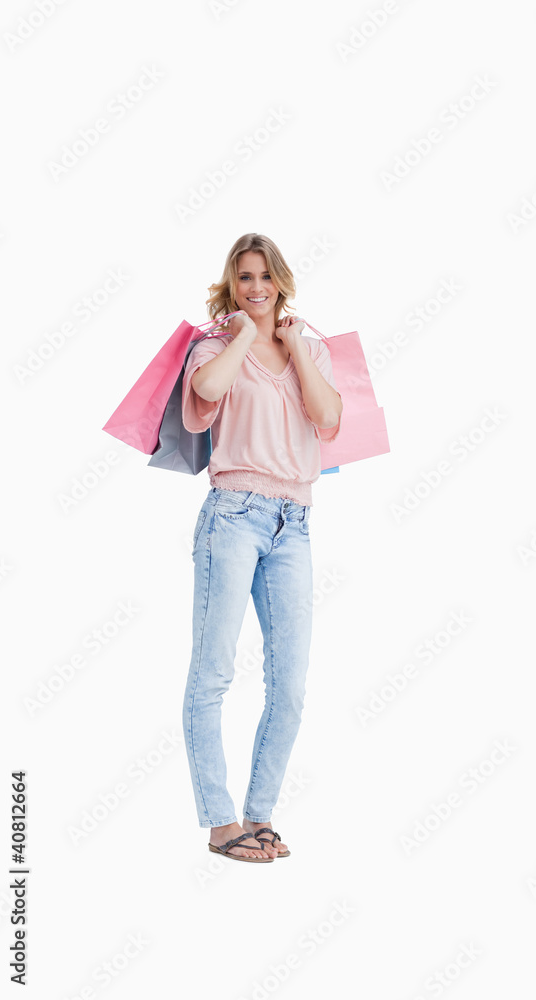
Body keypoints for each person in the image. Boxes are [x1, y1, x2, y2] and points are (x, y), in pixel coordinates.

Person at [181, 233, 343, 863]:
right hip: (233, 515)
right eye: (244, 278)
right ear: (233, 283)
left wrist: (294, 345)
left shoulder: (310, 346)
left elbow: (328, 420)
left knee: (291, 684)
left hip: (294, 523)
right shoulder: (215, 345)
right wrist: (248, 332)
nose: (256, 288)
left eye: (265, 278)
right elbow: (210, 393)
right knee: (213, 673)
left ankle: (260, 814)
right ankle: (222, 822)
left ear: (281, 282)